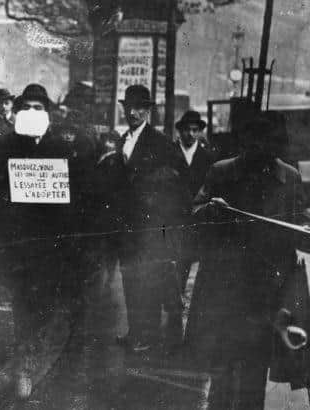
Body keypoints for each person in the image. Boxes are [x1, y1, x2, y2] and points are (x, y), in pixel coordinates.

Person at [185, 113, 306, 410]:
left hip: (267, 295)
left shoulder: (289, 177)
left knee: (254, 377)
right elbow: (196, 212)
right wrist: (212, 211)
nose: (263, 151)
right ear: (246, 144)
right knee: (222, 374)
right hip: (226, 292)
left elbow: (299, 224)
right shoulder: (222, 171)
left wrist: (304, 229)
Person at [0, 83, 95, 397]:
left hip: (53, 246)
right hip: (19, 244)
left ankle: (40, 364)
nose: (33, 113)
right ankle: (24, 366)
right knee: (23, 304)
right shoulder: (5, 147)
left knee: (49, 305)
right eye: (27, 108)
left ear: (47, 113)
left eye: (39, 108)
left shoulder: (62, 149)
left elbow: (76, 198)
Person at [103, 84, 187, 353]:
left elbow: (179, 179)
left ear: (148, 111)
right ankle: (136, 332)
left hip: (150, 226)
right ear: (124, 108)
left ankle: (147, 335)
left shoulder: (160, 142)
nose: (134, 112)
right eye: (129, 107)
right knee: (130, 278)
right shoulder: (123, 140)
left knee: (147, 280)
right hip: (126, 226)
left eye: (140, 107)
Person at [173, 110, 217, 290]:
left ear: (199, 132)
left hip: (196, 217)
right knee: (173, 260)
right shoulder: (170, 152)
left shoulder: (207, 157)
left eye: (194, 130)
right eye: (186, 130)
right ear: (180, 131)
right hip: (174, 215)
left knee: (191, 258)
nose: (190, 134)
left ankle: (182, 297)